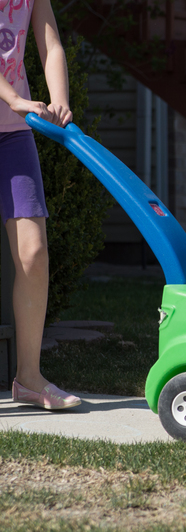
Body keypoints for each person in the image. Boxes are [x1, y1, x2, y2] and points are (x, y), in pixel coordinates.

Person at [1, 0, 80, 408]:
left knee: (33, 254)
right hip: (12, 109)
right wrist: (14, 97)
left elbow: (49, 43)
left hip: (12, 133)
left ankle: (29, 378)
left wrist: (59, 99)